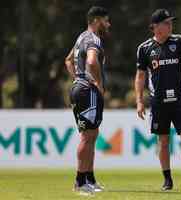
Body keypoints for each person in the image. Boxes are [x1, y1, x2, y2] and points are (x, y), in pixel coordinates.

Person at [135, 8, 181, 191]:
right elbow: (140, 76)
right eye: (167, 23)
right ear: (155, 27)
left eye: (170, 22)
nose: (170, 25)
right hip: (158, 102)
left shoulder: (179, 41)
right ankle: (167, 179)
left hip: (180, 100)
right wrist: (139, 101)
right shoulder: (144, 49)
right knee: (163, 141)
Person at [64, 6, 111, 195]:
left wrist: (77, 78)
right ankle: (79, 182)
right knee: (86, 136)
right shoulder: (93, 38)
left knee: (92, 134)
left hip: (80, 88)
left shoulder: (81, 37)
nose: (108, 24)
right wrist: (97, 83)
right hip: (87, 91)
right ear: (97, 20)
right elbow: (92, 62)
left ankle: (89, 179)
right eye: (106, 20)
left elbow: (68, 60)